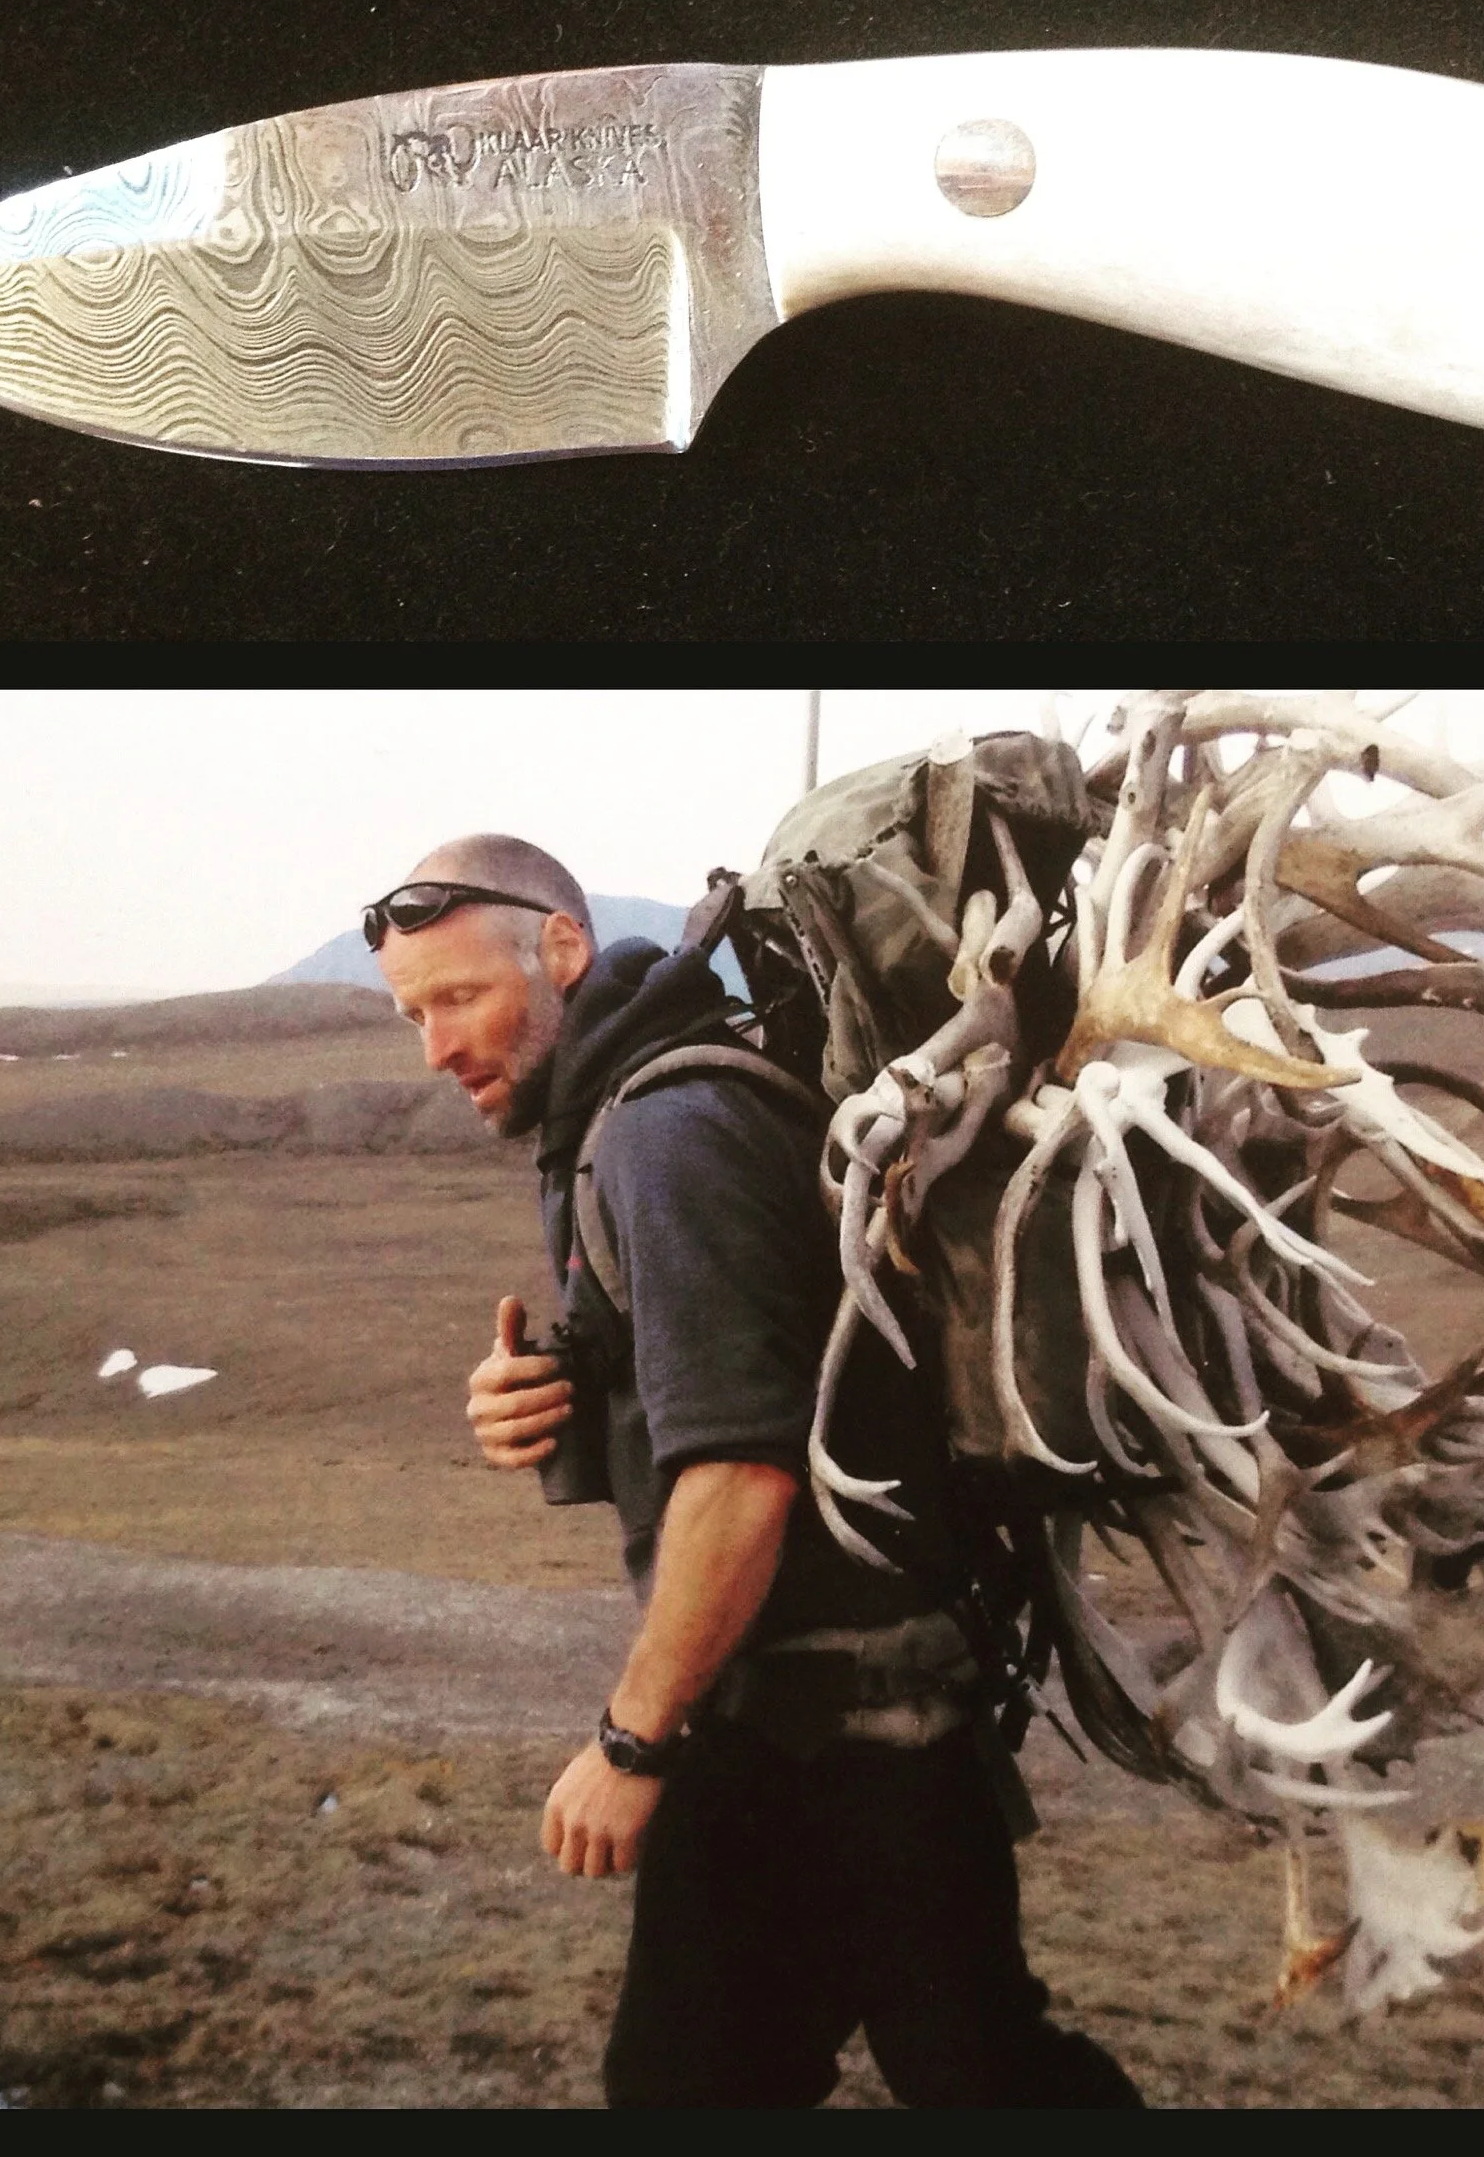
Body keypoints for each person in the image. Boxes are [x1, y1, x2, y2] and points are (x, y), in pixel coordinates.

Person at [368, 834, 1142, 2110]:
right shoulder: (634, 1111)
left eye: (459, 998)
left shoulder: (663, 1131)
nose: (436, 1045)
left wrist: (629, 1740)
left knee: (705, 2086)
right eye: (412, 1015)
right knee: (983, 2068)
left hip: (808, 1744)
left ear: (561, 948)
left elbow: (743, 1474)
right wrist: (547, 1394)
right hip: (887, 1722)